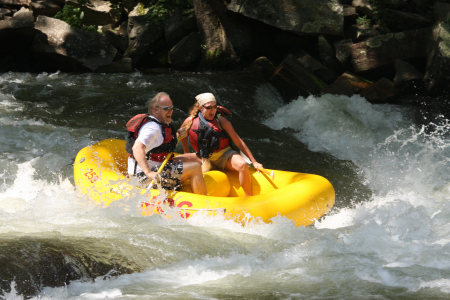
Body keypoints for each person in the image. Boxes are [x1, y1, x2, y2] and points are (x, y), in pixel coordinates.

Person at [179, 92, 263, 196]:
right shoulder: (190, 121)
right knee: (177, 160)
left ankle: (248, 197)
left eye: (214, 107)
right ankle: (174, 190)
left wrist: (254, 162)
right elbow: (181, 135)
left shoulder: (222, 121)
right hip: (203, 157)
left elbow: (239, 142)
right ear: (201, 108)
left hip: (224, 156)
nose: (212, 110)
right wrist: (186, 151)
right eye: (209, 107)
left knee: (242, 165)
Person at [127, 92, 207, 195]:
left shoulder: (158, 123)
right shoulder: (153, 128)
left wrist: (177, 135)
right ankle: (202, 202)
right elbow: (137, 148)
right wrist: (148, 172)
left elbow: (160, 145)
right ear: (155, 109)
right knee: (195, 167)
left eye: (172, 108)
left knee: (195, 158)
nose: (171, 111)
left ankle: (194, 182)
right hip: (144, 178)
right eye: (166, 108)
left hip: (158, 167)